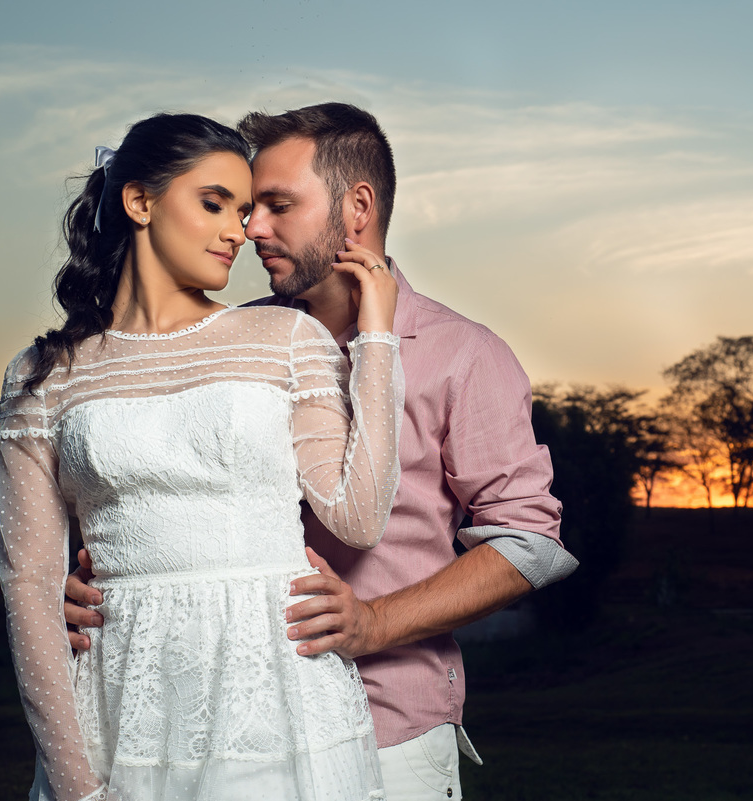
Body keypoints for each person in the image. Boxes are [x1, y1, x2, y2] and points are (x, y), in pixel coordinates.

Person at [66, 103, 579, 800]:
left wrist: (374, 623)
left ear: (357, 207)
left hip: (390, 731)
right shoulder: (226, 340)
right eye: (247, 207)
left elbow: (528, 541)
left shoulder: (465, 355)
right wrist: (98, 583)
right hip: (231, 738)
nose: (251, 228)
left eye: (278, 206)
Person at [0, 112, 402, 801]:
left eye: (243, 212)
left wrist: (377, 337)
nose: (239, 231)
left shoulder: (283, 337)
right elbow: (29, 587)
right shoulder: (43, 374)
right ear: (139, 201)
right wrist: (74, 784)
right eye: (215, 203)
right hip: (120, 705)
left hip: (274, 695)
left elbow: (359, 517)